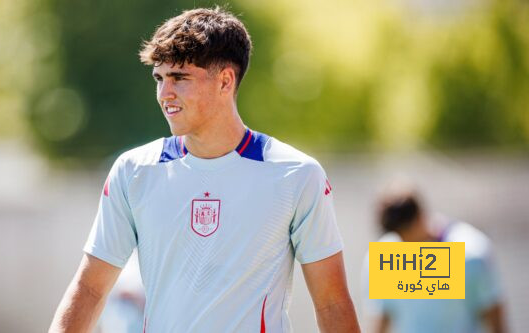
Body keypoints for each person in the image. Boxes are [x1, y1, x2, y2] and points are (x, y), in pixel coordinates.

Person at [50, 7, 359, 333]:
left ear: (225, 81)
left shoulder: (296, 174)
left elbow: (332, 301)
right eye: (160, 78)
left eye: (179, 78)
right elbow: (91, 289)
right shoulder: (133, 171)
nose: (164, 93)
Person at [362, 182, 506, 333]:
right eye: (397, 234)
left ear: (420, 217)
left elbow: (494, 318)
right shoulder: (382, 259)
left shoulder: (471, 253)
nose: (403, 241)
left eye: (405, 231)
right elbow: (381, 320)